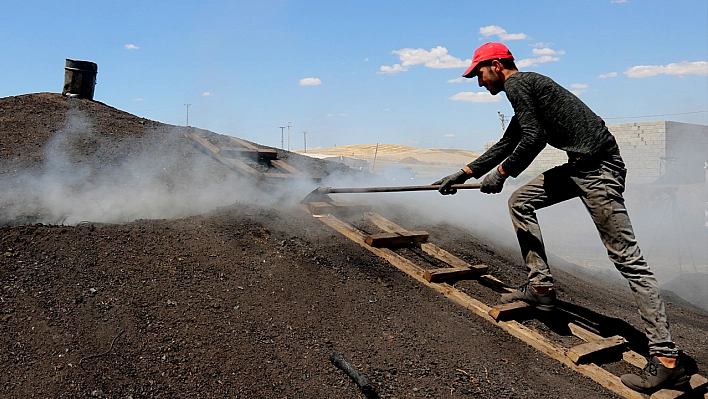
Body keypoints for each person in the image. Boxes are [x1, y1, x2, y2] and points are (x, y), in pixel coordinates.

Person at [433, 42, 690, 394]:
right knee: (521, 201)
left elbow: (533, 139)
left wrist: (503, 173)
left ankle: (666, 360)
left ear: (495, 65)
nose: (478, 82)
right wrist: (462, 173)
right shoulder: (527, 90)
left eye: (478, 73)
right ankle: (541, 289)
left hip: (599, 170)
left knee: (629, 261)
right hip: (579, 167)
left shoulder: (519, 84)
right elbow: (510, 140)